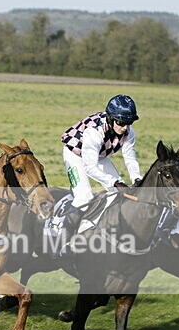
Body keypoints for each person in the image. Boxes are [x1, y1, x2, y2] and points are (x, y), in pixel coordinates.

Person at [60, 94, 142, 239]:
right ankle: (62, 239)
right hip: (76, 154)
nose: (124, 128)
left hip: (99, 155)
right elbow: (90, 167)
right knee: (84, 198)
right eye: (121, 123)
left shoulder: (129, 132)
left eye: (128, 123)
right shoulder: (94, 132)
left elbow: (130, 158)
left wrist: (137, 178)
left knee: (121, 195)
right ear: (111, 118)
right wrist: (115, 182)